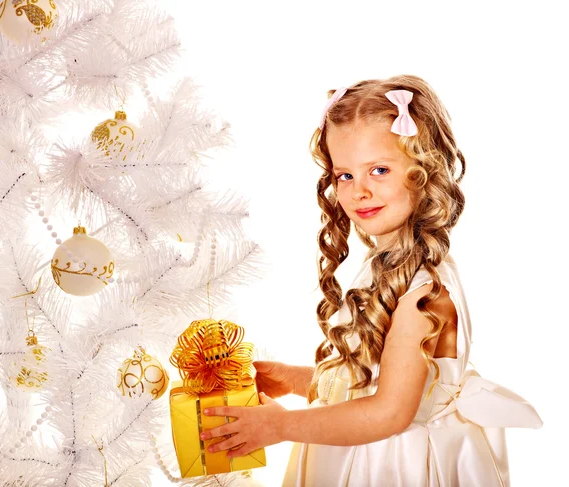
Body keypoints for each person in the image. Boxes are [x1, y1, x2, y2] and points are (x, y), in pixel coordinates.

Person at [202, 74, 543, 486]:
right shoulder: (388, 265)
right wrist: (295, 380)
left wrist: (281, 427)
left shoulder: (424, 293)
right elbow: (370, 384)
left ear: (424, 171)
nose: (358, 190)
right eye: (344, 175)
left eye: (378, 169)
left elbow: (389, 412)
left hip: (394, 468)